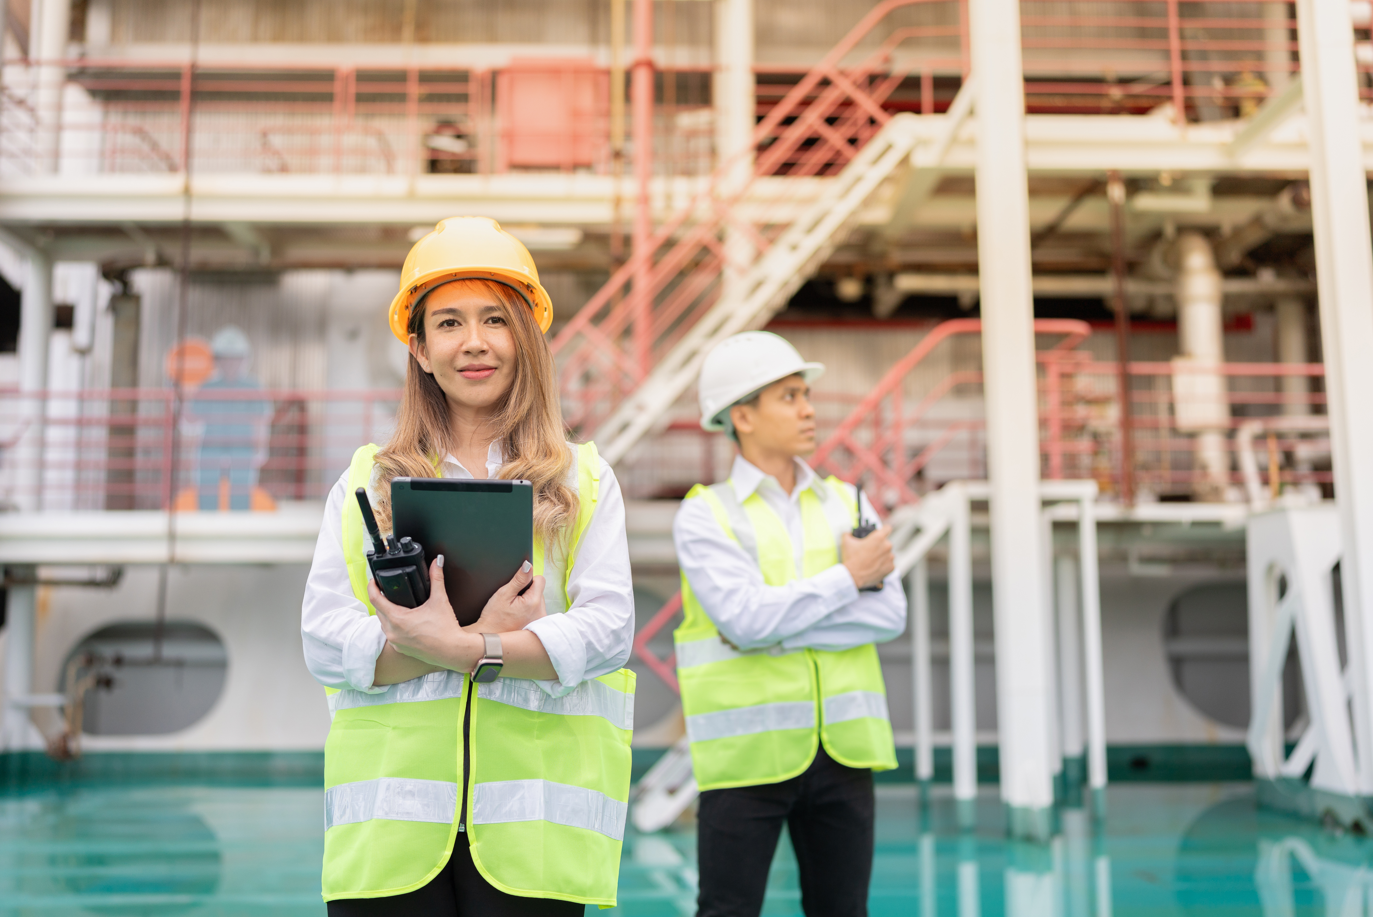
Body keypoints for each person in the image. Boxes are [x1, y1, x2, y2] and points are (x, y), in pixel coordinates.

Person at [301, 217, 636, 915]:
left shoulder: (584, 478)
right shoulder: (366, 481)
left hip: (531, 840)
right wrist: (469, 646)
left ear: (526, 339)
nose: (474, 342)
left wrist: (462, 646)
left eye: (495, 319)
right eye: (448, 322)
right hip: (391, 834)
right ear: (419, 349)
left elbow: (608, 630)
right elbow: (325, 636)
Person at [672, 331, 907, 917]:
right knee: (727, 911)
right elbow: (745, 621)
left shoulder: (849, 502)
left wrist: (772, 623)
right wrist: (846, 581)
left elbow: (890, 614)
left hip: (845, 753)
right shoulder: (706, 514)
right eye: (790, 396)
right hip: (745, 756)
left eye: (806, 394)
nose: (809, 409)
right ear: (742, 415)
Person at [188, 325, 272, 511]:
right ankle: (206, 528)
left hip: (242, 447)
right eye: (225, 359)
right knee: (207, 491)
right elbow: (191, 419)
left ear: (244, 360)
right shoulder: (207, 387)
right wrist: (180, 394)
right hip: (210, 447)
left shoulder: (252, 387)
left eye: (235, 359)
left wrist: (260, 448)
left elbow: (260, 420)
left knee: (241, 494)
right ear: (217, 361)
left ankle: (239, 529)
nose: (230, 364)